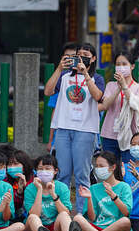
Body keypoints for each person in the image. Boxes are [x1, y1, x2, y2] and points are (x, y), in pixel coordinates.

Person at [44, 43, 105, 213]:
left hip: (86, 131)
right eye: (79, 55)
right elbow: (48, 91)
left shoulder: (97, 78)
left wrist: (85, 73)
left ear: (93, 59)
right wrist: (58, 68)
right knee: (62, 174)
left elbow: (98, 96)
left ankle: (81, 215)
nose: (81, 58)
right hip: (63, 129)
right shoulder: (64, 77)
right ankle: (61, 213)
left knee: (81, 175)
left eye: (86, 55)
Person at [72, 151, 132, 231]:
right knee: (77, 218)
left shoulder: (124, 187)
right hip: (98, 228)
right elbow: (92, 218)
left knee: (126, 222)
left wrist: (113, 196)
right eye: (97, 166)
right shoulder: (94, 188)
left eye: (101, 166)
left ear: (113, 167)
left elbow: (126, 212)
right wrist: (89, 198)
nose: (98, 169)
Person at [24, 154, 80, 231]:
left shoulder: (62, 187)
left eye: (47, 168)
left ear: (55, 171)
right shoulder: (30, 188)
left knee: (63, 214)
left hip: (57, 230)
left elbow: (66, 212)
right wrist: (39, 189)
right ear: (36, 171)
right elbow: (34, 214)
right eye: (40, 169)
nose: (44, 171)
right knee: (32, 218)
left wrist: (53, 194)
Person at [98, 52, 139, 163]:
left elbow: (136, 105)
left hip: (130, 135)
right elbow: (106, 105)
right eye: (118, 64)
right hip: (110, 133)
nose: (121, 67)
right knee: (110, 168)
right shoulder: (110, 85)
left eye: (124, 64)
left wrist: (124, 86)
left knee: (128, 168)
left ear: (132, 66)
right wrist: (118, 89)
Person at [47, 42, 78, 153]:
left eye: (74, 57)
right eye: (67, 57)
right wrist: (51, 140)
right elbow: (54, 110)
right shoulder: (60, 78)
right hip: (61, 133)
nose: (70, 60)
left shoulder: (90, 78)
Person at [4, 149, 34, 223]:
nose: (12, 167)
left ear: (24, 166)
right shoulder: (5, 181)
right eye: (10, 164)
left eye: (15, 164)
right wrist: (19, 193)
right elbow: (12, 206)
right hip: (11, 218)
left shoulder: (34, 180)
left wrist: (26, 188)